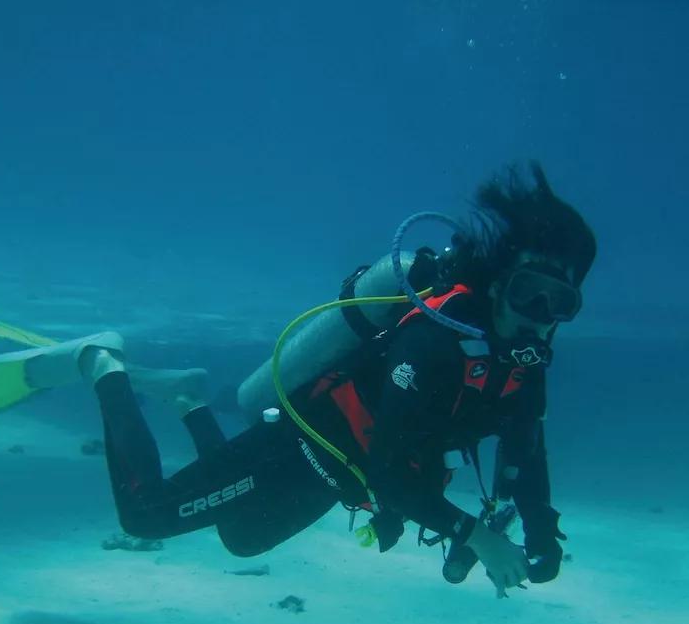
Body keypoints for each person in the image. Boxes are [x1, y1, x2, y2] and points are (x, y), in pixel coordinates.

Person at [64, 162, 596, 598]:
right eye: (528, 293)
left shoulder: (522, 368)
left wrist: (542, 531)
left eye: (559, 303)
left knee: (241, 538)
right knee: (146, 516)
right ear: (499, 285)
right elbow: (390, 475)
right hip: (297, 447)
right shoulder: (431, 343)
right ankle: (106, 364)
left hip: (337, 477)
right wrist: (476, 535)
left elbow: (527, 451)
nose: (538, 315)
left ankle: (189, 398)